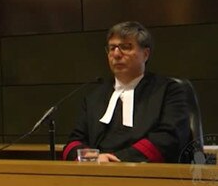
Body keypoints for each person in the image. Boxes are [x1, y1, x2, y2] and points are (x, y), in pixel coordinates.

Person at [62, 21, 192, 163]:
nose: (116, 54)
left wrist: (117, 161)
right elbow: (74, 142)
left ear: (145, 54)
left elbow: (169, 138)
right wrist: (94, 159)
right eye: (112, 48)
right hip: (97, 175)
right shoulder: (94, 97)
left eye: (125, 47)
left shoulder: (169, 90)